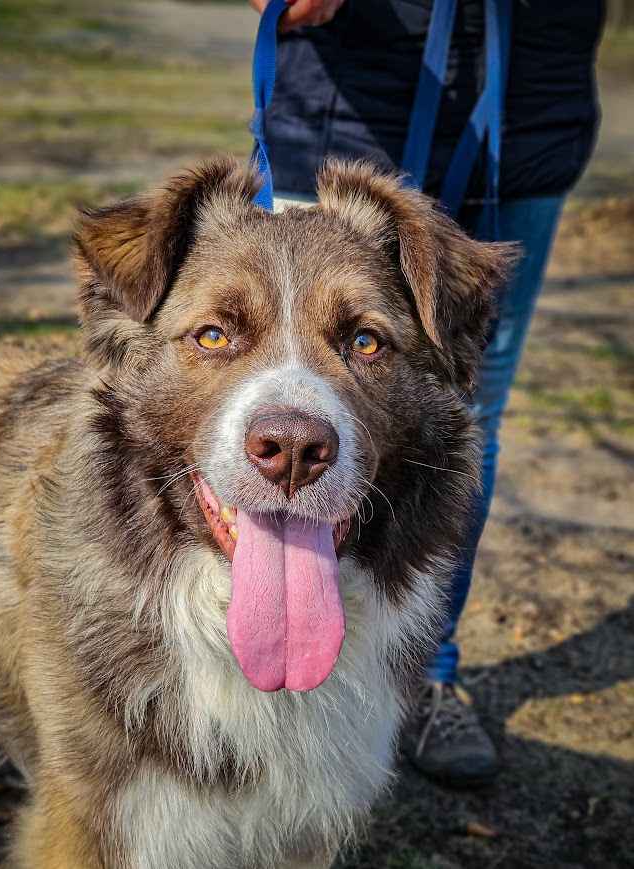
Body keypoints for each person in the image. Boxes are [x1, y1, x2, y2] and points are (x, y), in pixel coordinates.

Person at [249, 0, 604, 787]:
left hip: (527, 116)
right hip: (347, 105)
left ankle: (418, 670)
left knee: (465, 416)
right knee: (285, 413)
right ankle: (250, 661)